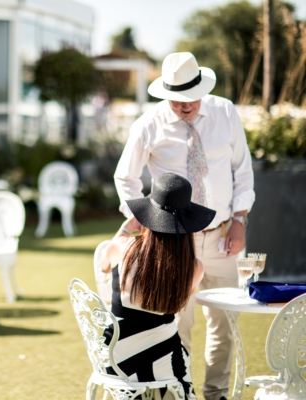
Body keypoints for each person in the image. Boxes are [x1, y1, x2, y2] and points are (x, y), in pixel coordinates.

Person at [113, 52, 255, 400]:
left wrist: (239, 220)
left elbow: (243, 170)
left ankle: (216, 394)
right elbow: (125, 177)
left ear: (201, 88)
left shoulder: (224, 112)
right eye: (174, 98)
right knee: (178, 325)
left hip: (224, 236)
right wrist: (143, 218)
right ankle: (181, 391)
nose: (183, 104)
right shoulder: (148, 124)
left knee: (224, 324)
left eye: (189, 96)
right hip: (175, 243)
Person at [102, 173, 214, 400]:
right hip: (165, 363)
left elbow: (104, 264)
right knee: (179, 355)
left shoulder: (123, 247)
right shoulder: (194, 268)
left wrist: (126, 228)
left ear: (149, 216)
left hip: (115, 356)